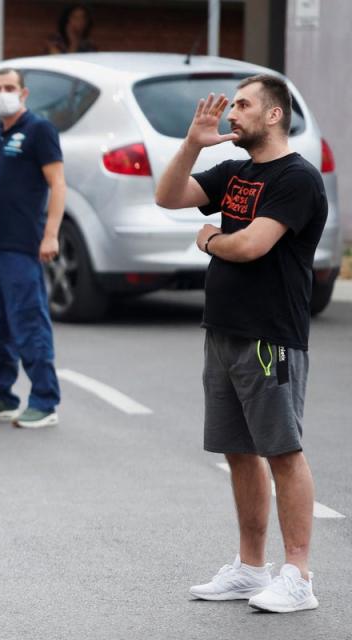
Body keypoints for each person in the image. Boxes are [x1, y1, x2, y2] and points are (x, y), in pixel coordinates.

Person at [155, 76, 326, 613]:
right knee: (238, 451)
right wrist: (191, 144)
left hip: (269, 336)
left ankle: (298, 574)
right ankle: (252, 568)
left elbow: (252, 246)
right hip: (224, 331)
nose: (233, 114)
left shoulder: (297, 178)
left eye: (244, 105)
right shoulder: (235, 171)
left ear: (274, 115)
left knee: (282, 450)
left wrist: (208, 239)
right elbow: (168, 196)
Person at [0, 67, 66, 429]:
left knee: (28, 322)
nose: (1, 93)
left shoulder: (39, 130)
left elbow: (58, 183)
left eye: (9, 88)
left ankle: (45, 399)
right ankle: (1, 394)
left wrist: (50, 234)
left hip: (23, 244)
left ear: (23, 93)